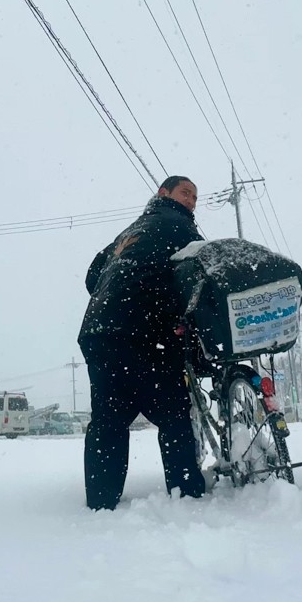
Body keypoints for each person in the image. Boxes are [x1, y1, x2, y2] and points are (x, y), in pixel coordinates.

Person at [77, 175, 208, 511]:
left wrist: (117, 296)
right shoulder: (179, 225)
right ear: (164, 193)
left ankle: (101, 503)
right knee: (174, 414)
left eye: (194, 196)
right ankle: (187, 496)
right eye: (185, 193)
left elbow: (93, 276)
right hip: (145, 331)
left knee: (109, 420)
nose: (191, 201)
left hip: (100, 331)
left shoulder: (127, 233)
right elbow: (199, 272)